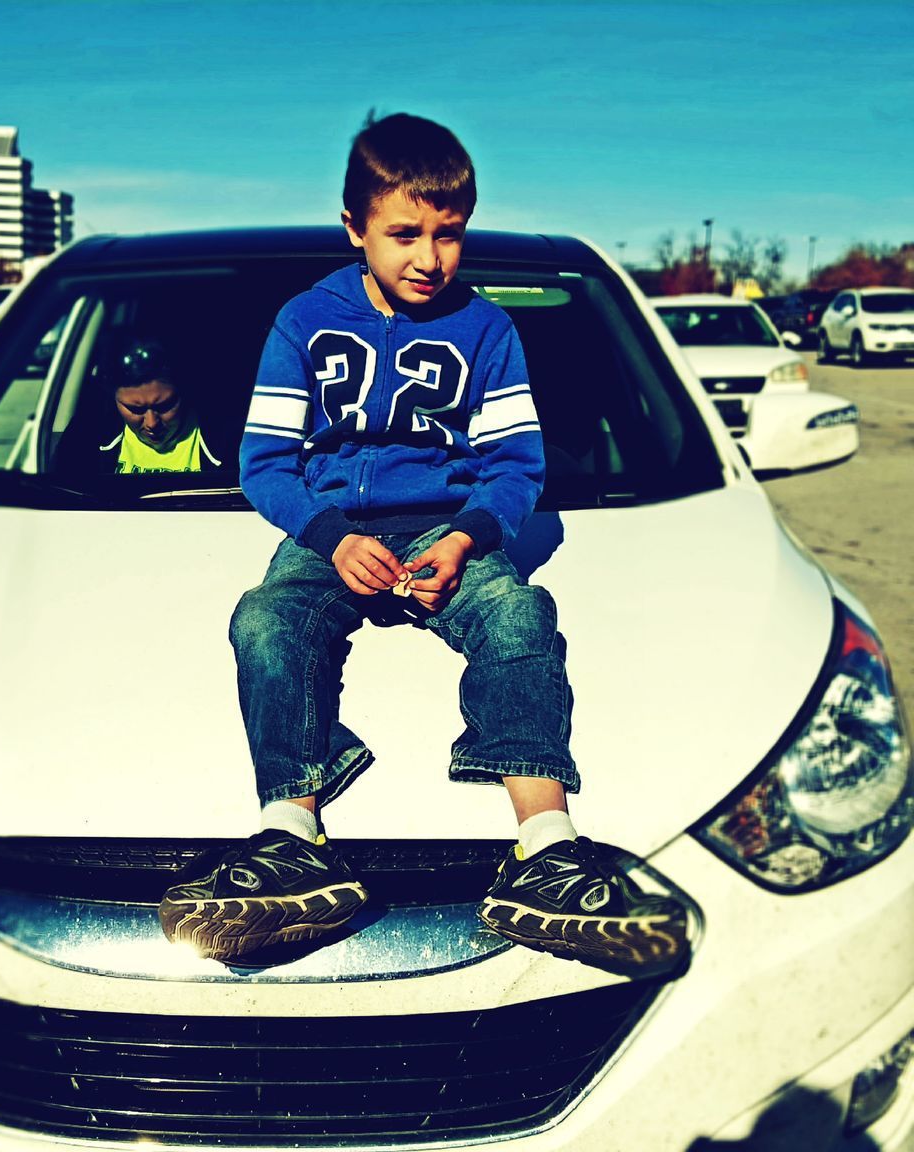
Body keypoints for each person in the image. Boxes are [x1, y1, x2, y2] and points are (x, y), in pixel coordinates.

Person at [157, 113, 688, 974]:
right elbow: (264, 464)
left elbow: (517, 468)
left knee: (517, 613)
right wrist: (328, 539)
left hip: (448, 527)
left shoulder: (488, 330)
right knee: (264, 620)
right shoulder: (303, 321)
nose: (429, 257)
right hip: (331, 532)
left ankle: (546, 850)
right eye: (404, 233)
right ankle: (293, 833)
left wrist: (470, 537)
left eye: (449, 234)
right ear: (355, 230)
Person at [99, 339, 223, 474]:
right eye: (136, 410)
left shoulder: (226, 444)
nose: (152, 423)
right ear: (114, 399)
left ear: (184, 391)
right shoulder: (88, 441)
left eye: (165, 406)